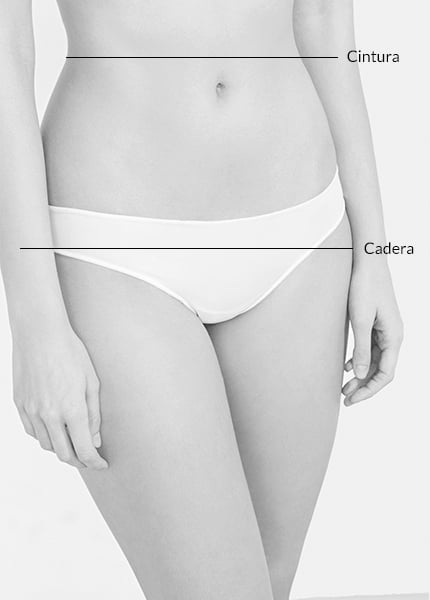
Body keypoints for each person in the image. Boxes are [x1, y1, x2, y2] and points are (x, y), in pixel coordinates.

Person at [0, 1, 403, 599]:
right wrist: (35, 325)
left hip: (302, 238)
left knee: (268, 583)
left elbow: (323, 18)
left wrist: (374, 252)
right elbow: (6, 58)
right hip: (116, 248)